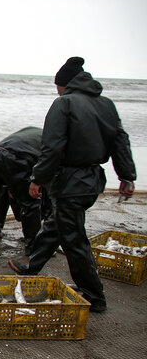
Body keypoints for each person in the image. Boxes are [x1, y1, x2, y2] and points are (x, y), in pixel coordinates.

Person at [8, 57, 137, 312]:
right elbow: (120, 141)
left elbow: (51, 147)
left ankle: (94, 295)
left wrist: (38, 179)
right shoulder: (107, 104)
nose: (56, 90)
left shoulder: (64, 104)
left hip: (70, 182)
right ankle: (32, 267)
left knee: (74, 240)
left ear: (64, 85)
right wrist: (126, 176)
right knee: (58, 224)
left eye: (57, 86)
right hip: (92, 181)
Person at [0, 127, 52, 255]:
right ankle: (34, 247)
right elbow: (47, 172)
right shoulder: (55, 143)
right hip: (16, 159)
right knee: (31, 203)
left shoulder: (36, 132)